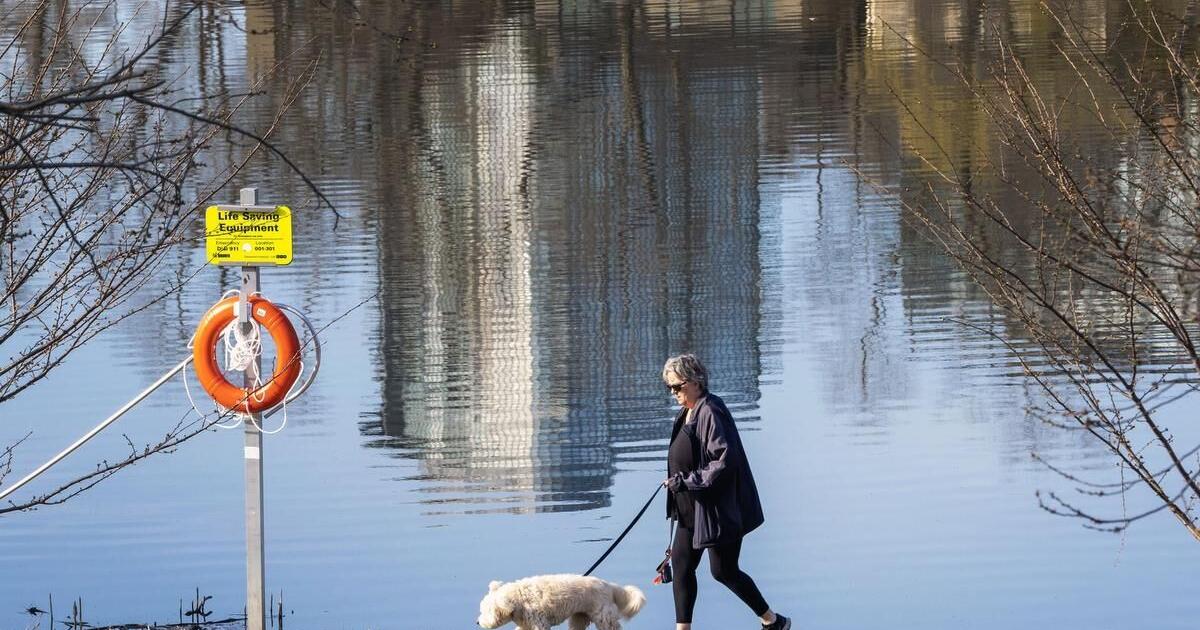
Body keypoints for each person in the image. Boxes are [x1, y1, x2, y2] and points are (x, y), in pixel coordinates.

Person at [661, 354, 790, 630]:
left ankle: (773, 621)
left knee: (724, 571)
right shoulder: (687, 411)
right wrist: (676, 484)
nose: (673, 393)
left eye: (677, 387)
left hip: (716, 510)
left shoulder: (711, 410)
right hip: (689, 509)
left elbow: (723, 462)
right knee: (682, 567)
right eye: (669, 388)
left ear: (695, 381)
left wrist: (687, 481)